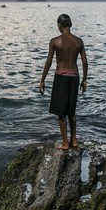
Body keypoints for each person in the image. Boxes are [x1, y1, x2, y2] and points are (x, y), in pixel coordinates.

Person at [38, 13, 88, 150]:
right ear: (70, 25)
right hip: (74, 77)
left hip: (61, 76)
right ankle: (74, 141)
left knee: (61, 114)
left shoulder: (55, 41)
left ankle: (65, 143)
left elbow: (48, 62)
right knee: (71, 113)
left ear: (59, 25)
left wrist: (42, 81)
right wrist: (84, 80)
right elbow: (84, 62)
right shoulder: (79, 41)